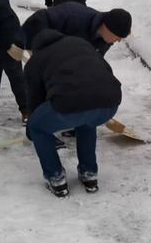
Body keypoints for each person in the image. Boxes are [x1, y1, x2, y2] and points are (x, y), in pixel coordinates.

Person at [24, 29, 122, 197]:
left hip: (71, 102)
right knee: (86, 121)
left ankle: (56, 178)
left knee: (37, 126)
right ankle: (89, 173)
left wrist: (33, 131)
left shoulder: (36, 60)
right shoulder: (80, 43)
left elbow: (35, 102)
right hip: (110, 101)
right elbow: (104, 68)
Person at [21, 1, 132, 56]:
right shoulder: (75, 15)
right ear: (108, 27)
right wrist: (31, 47)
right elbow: (40, 17)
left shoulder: (105, 41)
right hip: (46, 56)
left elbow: (94, 62)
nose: (118, 41)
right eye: (118, 37)